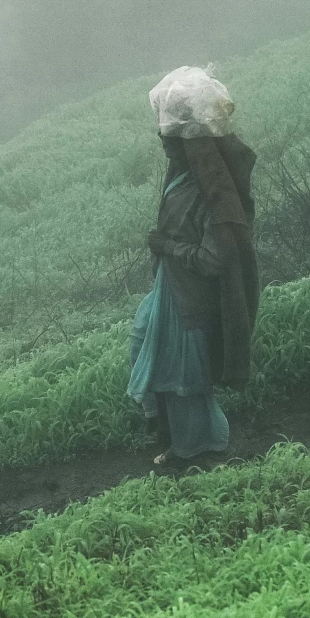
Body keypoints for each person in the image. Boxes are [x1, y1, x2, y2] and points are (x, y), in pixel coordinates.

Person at [127, 66, 258, 465]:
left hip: (191, 302)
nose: (161, 140)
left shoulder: (212, 196)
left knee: (181, 380)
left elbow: (215, 259)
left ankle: (199, 453)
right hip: (171, 290)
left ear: (188, 142)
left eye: (169, 135)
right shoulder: (182, 176)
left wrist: (167, 246)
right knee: (142, 340)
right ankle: (172, 437)